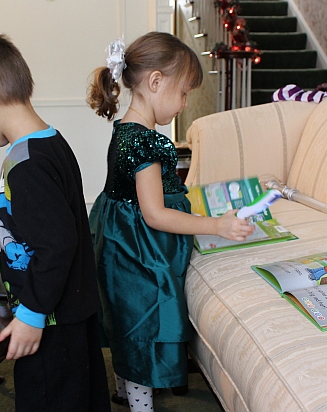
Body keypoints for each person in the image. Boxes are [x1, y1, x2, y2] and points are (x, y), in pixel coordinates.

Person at [87, 32, 254, 411]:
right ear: (156, 82)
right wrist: (217, 226)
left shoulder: (125, 130)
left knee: (124, 322)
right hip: (136, 254)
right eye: (183, 93)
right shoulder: (146, 142)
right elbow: (155, 213)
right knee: (143, 327)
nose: (185, 103)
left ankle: (123, 390)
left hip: (120, 243)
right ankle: (139, 402)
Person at [0, 31, 110, 412]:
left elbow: (58, 245)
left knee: (50, 397)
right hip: (68, 308)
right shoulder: (48, 142)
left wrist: (32, 315)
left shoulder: (28, 166)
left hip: (51, 319)